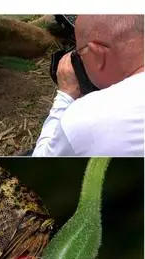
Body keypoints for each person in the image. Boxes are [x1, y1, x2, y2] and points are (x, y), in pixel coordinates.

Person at [32, 15, 144, 156]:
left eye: (79, 52)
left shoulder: (86, 118)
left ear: (98, 55)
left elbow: (42, 160)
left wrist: (65, 96)